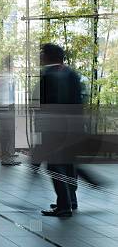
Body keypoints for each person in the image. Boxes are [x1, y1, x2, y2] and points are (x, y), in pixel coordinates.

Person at [36, 43, 82, 217]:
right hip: (73, 128)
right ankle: (71, 200)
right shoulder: (71, 73)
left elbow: (49, 107)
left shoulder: (50, 75)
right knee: (68, 165)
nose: (40, 57)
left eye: (42, 53)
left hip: (56, 129)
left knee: (55, 165)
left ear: (48, 56)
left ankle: (64, 206)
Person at [0, 55, 21, 166]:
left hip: (8, 106)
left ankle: (7, 154)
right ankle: (5, 157)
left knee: (9, 132)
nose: (14, 66)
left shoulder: (9, 76)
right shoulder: (4, 76)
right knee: (7, 132)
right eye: (13, 63)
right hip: (4, 107)